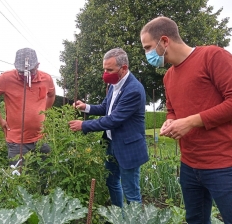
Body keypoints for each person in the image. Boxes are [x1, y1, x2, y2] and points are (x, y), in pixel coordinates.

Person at [140, 16, 232, 223]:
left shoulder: (213, 56)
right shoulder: (168, 76)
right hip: (189, 165)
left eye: (147, 47)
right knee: (196, 220)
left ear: (164, 41)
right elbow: (173, 110)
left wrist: (191, 122)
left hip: (224, 164)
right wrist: (170, 121)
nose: (146, 54)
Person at [68, 48, 149, 208]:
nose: (105, 73)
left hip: (128, 147)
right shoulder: (115, 84)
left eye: (110, 69)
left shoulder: (133, 90)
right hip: (112, 143)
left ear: (123, 68)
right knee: (111, 181)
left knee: (131, 193)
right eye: (104, 69)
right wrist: (86, 107)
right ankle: (117, 215)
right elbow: (106, 107)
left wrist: (83, 125)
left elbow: (113, 119)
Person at [0, 48, 55, 166]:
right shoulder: (6, 78)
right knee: (18, 178)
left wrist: (44, 113)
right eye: (21, 72)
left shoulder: (46, 79)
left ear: (37, 65)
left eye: (30, 71)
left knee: (46, 173)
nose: (25, 75)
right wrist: (0, 120)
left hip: (41, 137)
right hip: (17, 141)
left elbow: (51, 95)